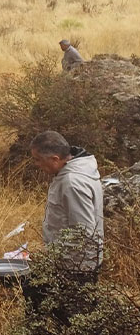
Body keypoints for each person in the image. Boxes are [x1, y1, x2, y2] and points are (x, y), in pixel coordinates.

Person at [26, 131, 104, 321]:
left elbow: (83, 233)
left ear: (55, 159)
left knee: (73, 321)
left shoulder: (72, 182)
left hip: (75, 267)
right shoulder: (69, 172)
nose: (36, 165)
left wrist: (51, 255)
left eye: (37, 160)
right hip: (70, 262)